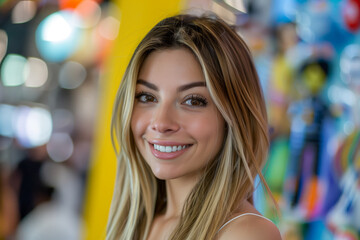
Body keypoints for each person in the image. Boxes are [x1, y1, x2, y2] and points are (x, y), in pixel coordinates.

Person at [107, 13, 282, 240]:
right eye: (147, 97)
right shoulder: (138, 223)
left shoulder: (246, 233)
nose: (161, 123)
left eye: (192, 101)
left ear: (235, 117)